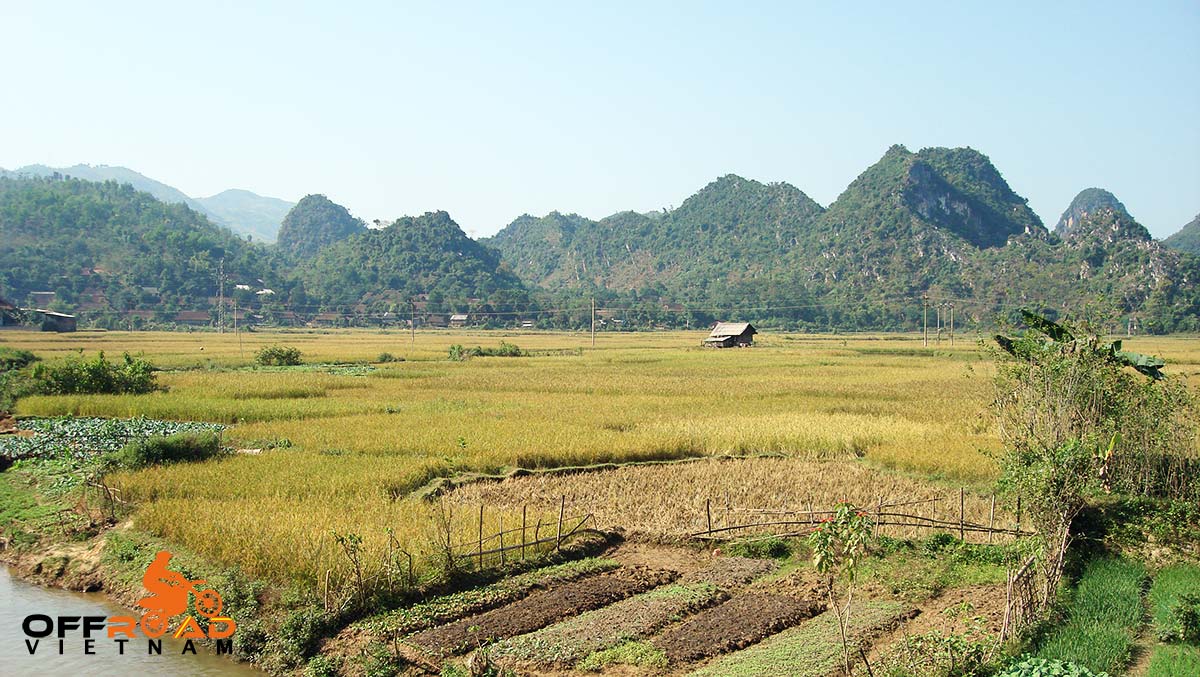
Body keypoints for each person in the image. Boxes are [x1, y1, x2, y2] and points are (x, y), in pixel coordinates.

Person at [137, 550, 191, 617]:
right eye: (167, 559)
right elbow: (163, 574)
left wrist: (174, 576)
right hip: (150, 583)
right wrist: (173, 577)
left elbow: (165, 573)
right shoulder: (157, 564)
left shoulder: (159, 564)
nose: (168, 561)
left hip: (152, 582)